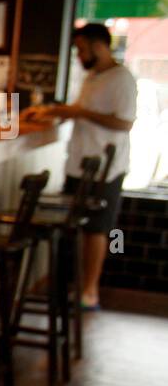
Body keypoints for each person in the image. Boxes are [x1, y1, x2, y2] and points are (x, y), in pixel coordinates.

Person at [23, 22, 137, 310]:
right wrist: (59, 114)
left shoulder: (122, 79)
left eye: (82, 49)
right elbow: (83, 112)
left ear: (99, 46)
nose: (78, 55)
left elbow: (124, 123)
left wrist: (78, 112)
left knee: (96, 230)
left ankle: (89, 293)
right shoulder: (92, 78)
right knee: (79, 228)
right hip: (78, 165)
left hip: (105, 169)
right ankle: (70, 288)